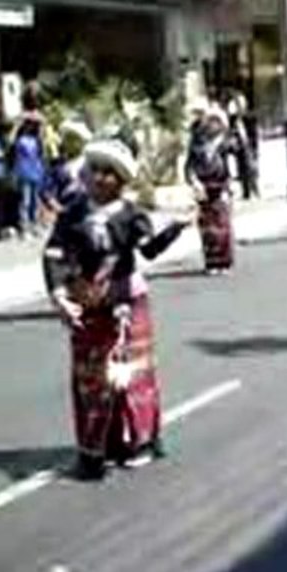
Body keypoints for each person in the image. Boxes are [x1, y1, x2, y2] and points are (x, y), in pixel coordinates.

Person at [42, 135, 189, 480]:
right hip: (87, 304)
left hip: (126, 302)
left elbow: (148, 249)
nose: (98, 178)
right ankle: (94, 450)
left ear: (120, 181)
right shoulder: (73, 214)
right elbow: (54, 254)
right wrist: (59, 296)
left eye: (107, 172)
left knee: (129, 375)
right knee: (91, 379)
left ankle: (138, 442)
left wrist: (176, 227)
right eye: (94, 169)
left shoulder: (131, 215)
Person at [184, 106, 235, 275]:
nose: (213, 125)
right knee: (207, 226)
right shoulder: (197, 143)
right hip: (204, 186)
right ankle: (211, 262)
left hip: (221, 185)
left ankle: (224, 262)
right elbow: (189, 166)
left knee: (222, 224)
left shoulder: (226, 142)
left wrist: (230, 185)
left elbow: (233, 164)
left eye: (216, 122)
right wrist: (194, 182)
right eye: (210, 122)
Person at [43, 119, 92, 212]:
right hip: (63, 211)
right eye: (67, 139)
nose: (70, 143)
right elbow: (47, 189)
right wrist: (54, 204)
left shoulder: (90, 163)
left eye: (74, 139)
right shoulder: (58, 165)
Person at [12, 111, 48, 238]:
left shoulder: (37, 140)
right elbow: (15, 151)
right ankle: (24, 228)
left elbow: (41, 155)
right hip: (24, 172)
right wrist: (18, 123)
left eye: (33, 124)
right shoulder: (20, 140)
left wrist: (41, 124)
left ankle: (35, 226)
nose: (31, 126)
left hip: (36, 172)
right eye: (28, 124)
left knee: (35, 201)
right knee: (25, 202)